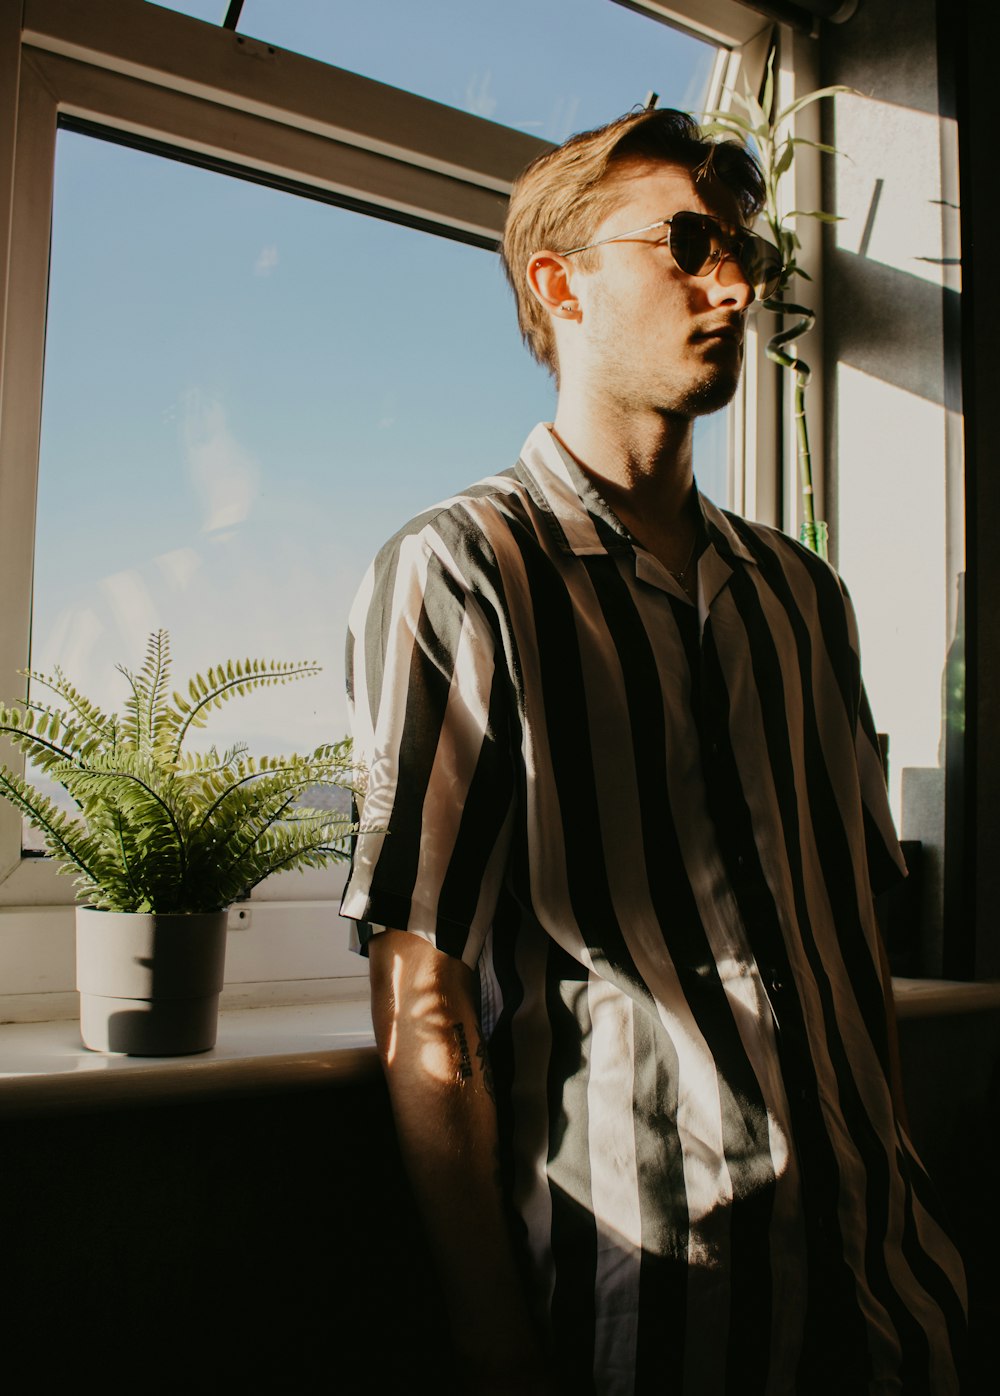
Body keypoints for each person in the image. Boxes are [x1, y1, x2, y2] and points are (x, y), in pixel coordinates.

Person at [340, 109, 966, 1395]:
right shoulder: (464, 572)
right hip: (655, 1309)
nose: (731, 282)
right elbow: (426, 1000)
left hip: (889, 1284)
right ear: (557, 283)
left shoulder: (802, 597)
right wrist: (489, 1333)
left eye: (740, 248)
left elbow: (851, 933)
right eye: (685, 242)